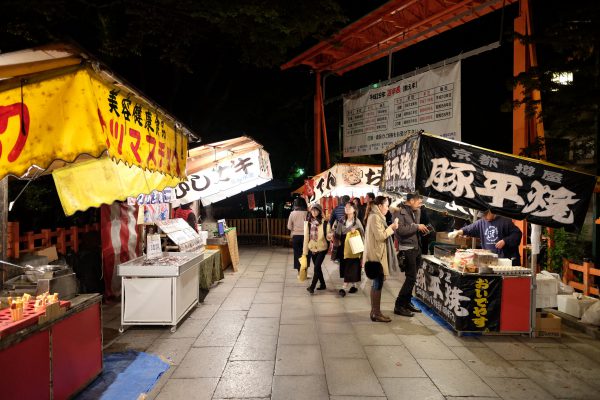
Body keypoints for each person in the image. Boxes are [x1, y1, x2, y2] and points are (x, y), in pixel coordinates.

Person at [393, 193, 429, 317]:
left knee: (412, 278)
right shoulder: (399, 211)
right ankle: (399, 305)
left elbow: (414, 229)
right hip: (407, 248)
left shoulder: (416, 211)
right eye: (419, 202)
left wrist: (421, 229)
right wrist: (416, 226)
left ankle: (407, 302)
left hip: (416, 248)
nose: (420, 204)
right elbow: (400, 230)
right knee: (410, 278)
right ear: (411, 200)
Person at [364, 196, 399, 322]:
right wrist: (392, 228)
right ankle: (376, 313)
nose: (387, 208)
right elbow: (380, 236)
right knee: (377, 284)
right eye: (386, 205)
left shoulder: (376, 216)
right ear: (379, 206)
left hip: (377, 254)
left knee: (377, 283)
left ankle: (374, 312)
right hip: (376, 256)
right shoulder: (375, 217)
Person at [448, 210, 523, 265]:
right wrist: (458, 232)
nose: (484, 217)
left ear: (491, 212)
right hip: (489, 260)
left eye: (485, 215)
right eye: (482, 216)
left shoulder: (505, 221)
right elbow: (470, 228)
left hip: (506, 260)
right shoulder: (481, 222)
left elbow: (517, 234)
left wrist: (505, 241)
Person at [332, 202, 364, 297]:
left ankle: (344, 287)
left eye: (349, 207)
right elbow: (337, 232)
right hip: (343, 246)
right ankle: (354, 285)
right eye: (346, 207)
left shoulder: (357, 222)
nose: (347, 208)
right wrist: (334, 239)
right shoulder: (342, 220)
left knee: (350, 267)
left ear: (354, 209)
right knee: (346, 266)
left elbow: (362, 234)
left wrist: (356, 231)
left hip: (354, 247)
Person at [303, 204, 330, 293]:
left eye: (316, 210)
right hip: (312, 247)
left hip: (322, 247)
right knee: (317, 267)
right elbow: (306, 237)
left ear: (319, 211)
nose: (314, 212)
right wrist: (305, 250)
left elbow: (328, 233)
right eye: (313, 210)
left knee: (316, 267)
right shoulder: (309, 222)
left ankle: (312, 287)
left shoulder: (324, 222)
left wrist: (330, 236)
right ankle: (323, 284)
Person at [287, 197, 308, 273]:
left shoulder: (292, 213)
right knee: (305, 254)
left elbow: (289, 227)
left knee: (297, 254)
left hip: (295, 236)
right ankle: (304, 271)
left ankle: (299, 272)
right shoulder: (307, 213)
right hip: (305, 237)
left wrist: (294, 228)